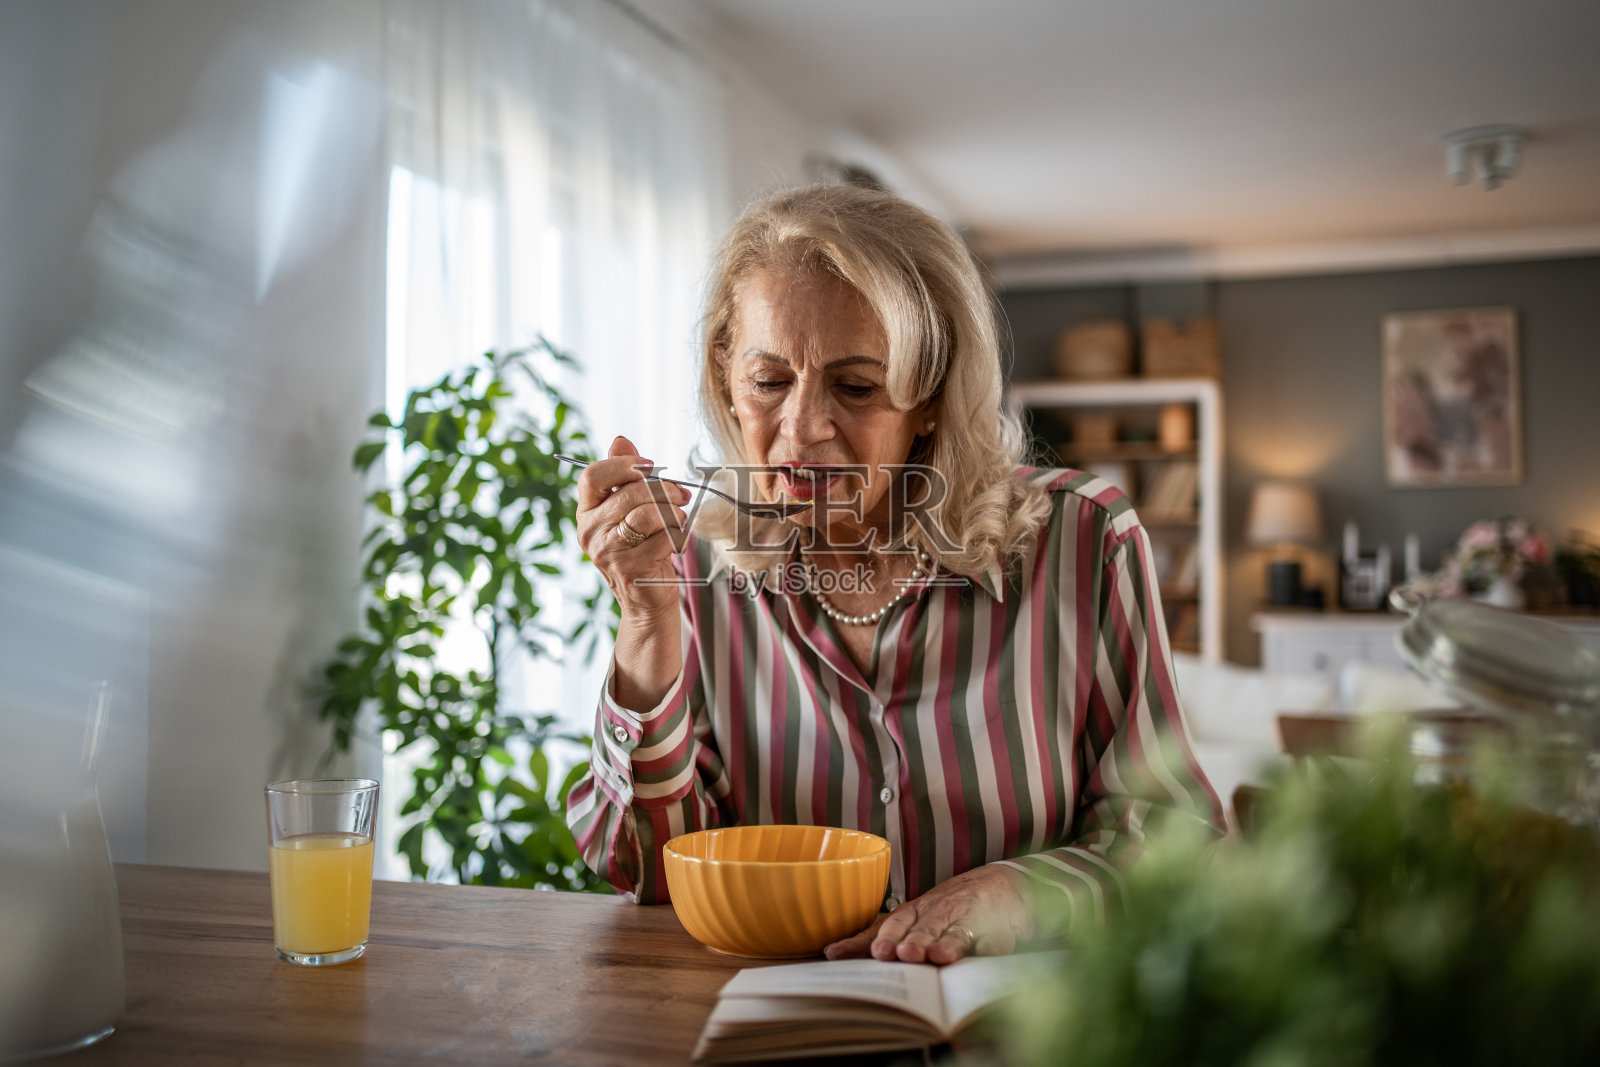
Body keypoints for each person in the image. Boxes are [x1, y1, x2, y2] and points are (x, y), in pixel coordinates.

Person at [564, 183, 1223, 965]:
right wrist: (645, 623)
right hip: (778, 1023)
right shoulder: (694, 566)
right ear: (725, 374)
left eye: (856, 386)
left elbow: (1181, 843)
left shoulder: (1086, 539)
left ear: (934, 396)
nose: (802, 431)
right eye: (769, 381)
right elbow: (644, 871)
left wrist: (1023, 892)